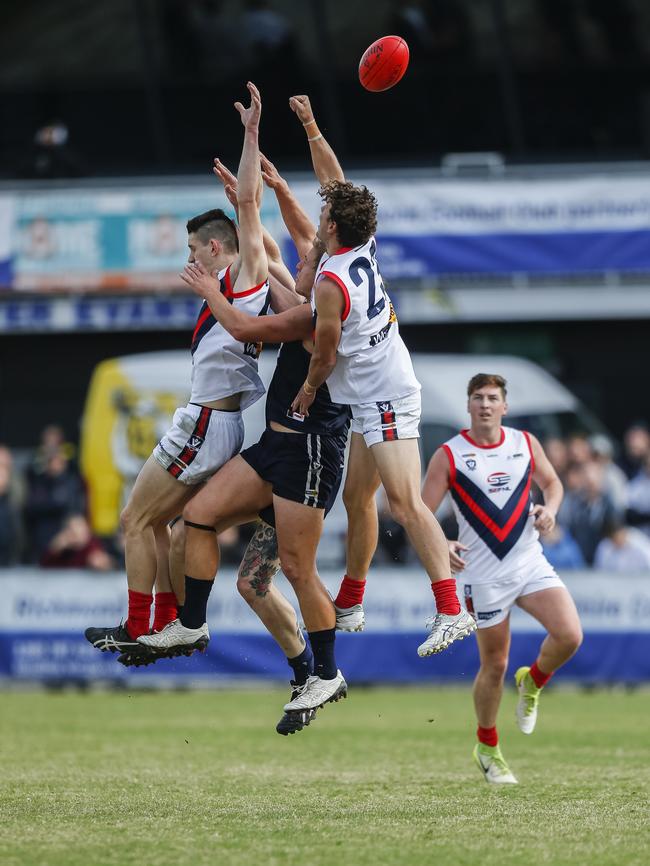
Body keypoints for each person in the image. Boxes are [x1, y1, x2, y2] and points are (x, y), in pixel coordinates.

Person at [136, 84, 350, 728]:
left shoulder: (316, 310)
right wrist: (263, 188)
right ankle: (198, 631)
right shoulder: (297, 279)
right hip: (271, 446)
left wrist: (259, 155)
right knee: (206, 531)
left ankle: (326, 673)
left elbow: (255, 322)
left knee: (291, 568)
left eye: (318, 248)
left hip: (310, 451)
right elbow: (289, 235)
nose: (306, 250)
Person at [84, 82, 274, 657]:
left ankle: (140, 624)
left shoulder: (244, 276)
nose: (189, 262)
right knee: (161, 525)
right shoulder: (227, 287)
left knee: (134, 520)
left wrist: (250, 135)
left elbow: (248, 204)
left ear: (218, 249)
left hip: (206, 424)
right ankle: (166, 623)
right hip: (217, 422)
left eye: (195, 251)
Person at [287, 94, 475, 657]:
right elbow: (335, 184)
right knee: (357, 497)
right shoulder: (357, 243)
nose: (319, 211)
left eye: (324, 213)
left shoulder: (330, 280)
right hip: (372, 393)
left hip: (387, 394)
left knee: (404, 503)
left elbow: (321, 358)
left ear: (335, 226)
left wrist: (306, 392)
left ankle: (450, 609)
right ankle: (352, 599)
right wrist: (311, 125)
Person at [422, 373, 583, 785]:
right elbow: (419, 512)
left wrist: (552, 510)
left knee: (570, 635)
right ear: (469, 405)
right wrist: (442, 542)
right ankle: (488, 746)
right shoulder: (450, 454)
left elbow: (552, 483)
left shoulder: (525, 443)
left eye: (493, 398)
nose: (485, 405)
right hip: (483, 574)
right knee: (494, 665)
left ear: (505, 407)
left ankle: (533, 682)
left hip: (529, 561)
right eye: (478, 398)